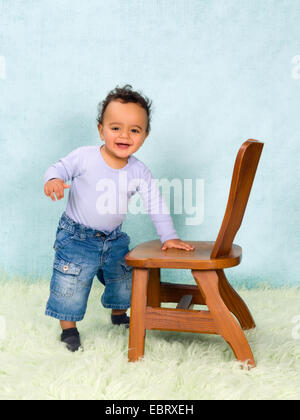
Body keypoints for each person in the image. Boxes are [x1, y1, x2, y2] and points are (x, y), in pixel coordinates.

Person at [43, 84, 195, 352]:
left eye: (134, 130)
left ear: (145, 136)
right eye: (115, 128)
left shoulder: (139, 171)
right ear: (101, 129)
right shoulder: (84, 157)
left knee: (124, 278)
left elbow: (155, 204)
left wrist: (169, 237)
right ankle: (68, 329)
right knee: (72, 284)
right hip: (76, 238)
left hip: (113, 238)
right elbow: (60, 167)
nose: (124, 135)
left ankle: (118, 314)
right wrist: (54, 179)